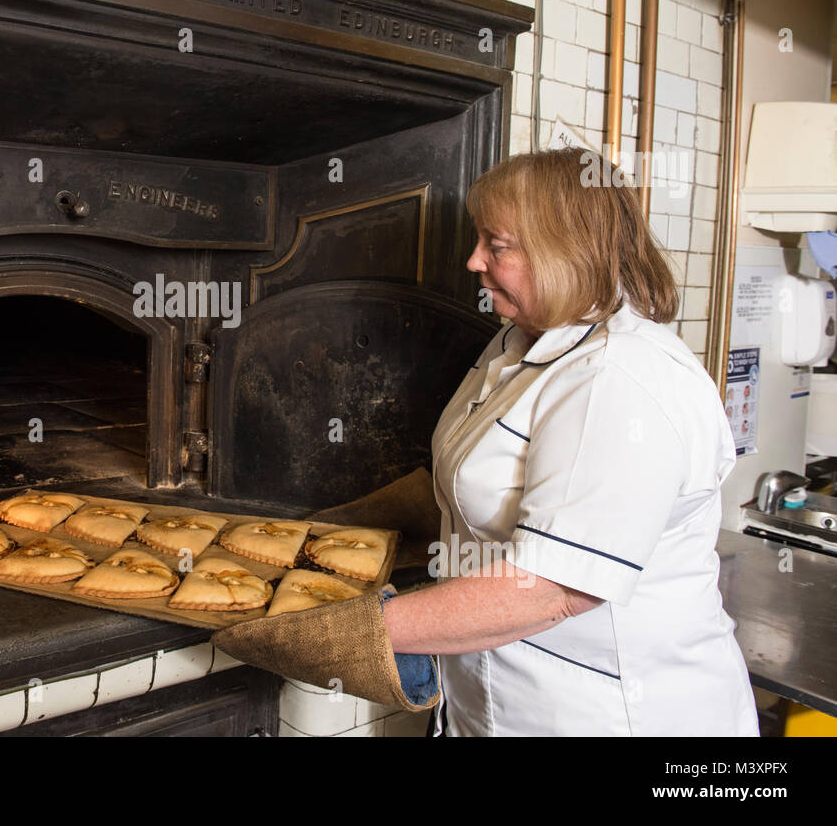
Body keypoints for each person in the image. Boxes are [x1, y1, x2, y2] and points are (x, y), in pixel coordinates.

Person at [215, 147, 758, 736]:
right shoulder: (518, 342)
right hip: (490, 704)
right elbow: (484, 481)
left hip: (610, 718)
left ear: (564, 251)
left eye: (496, 245)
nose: (474, 260)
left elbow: (550, 592)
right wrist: (350, 531)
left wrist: (340, 632)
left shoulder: (619, 379)